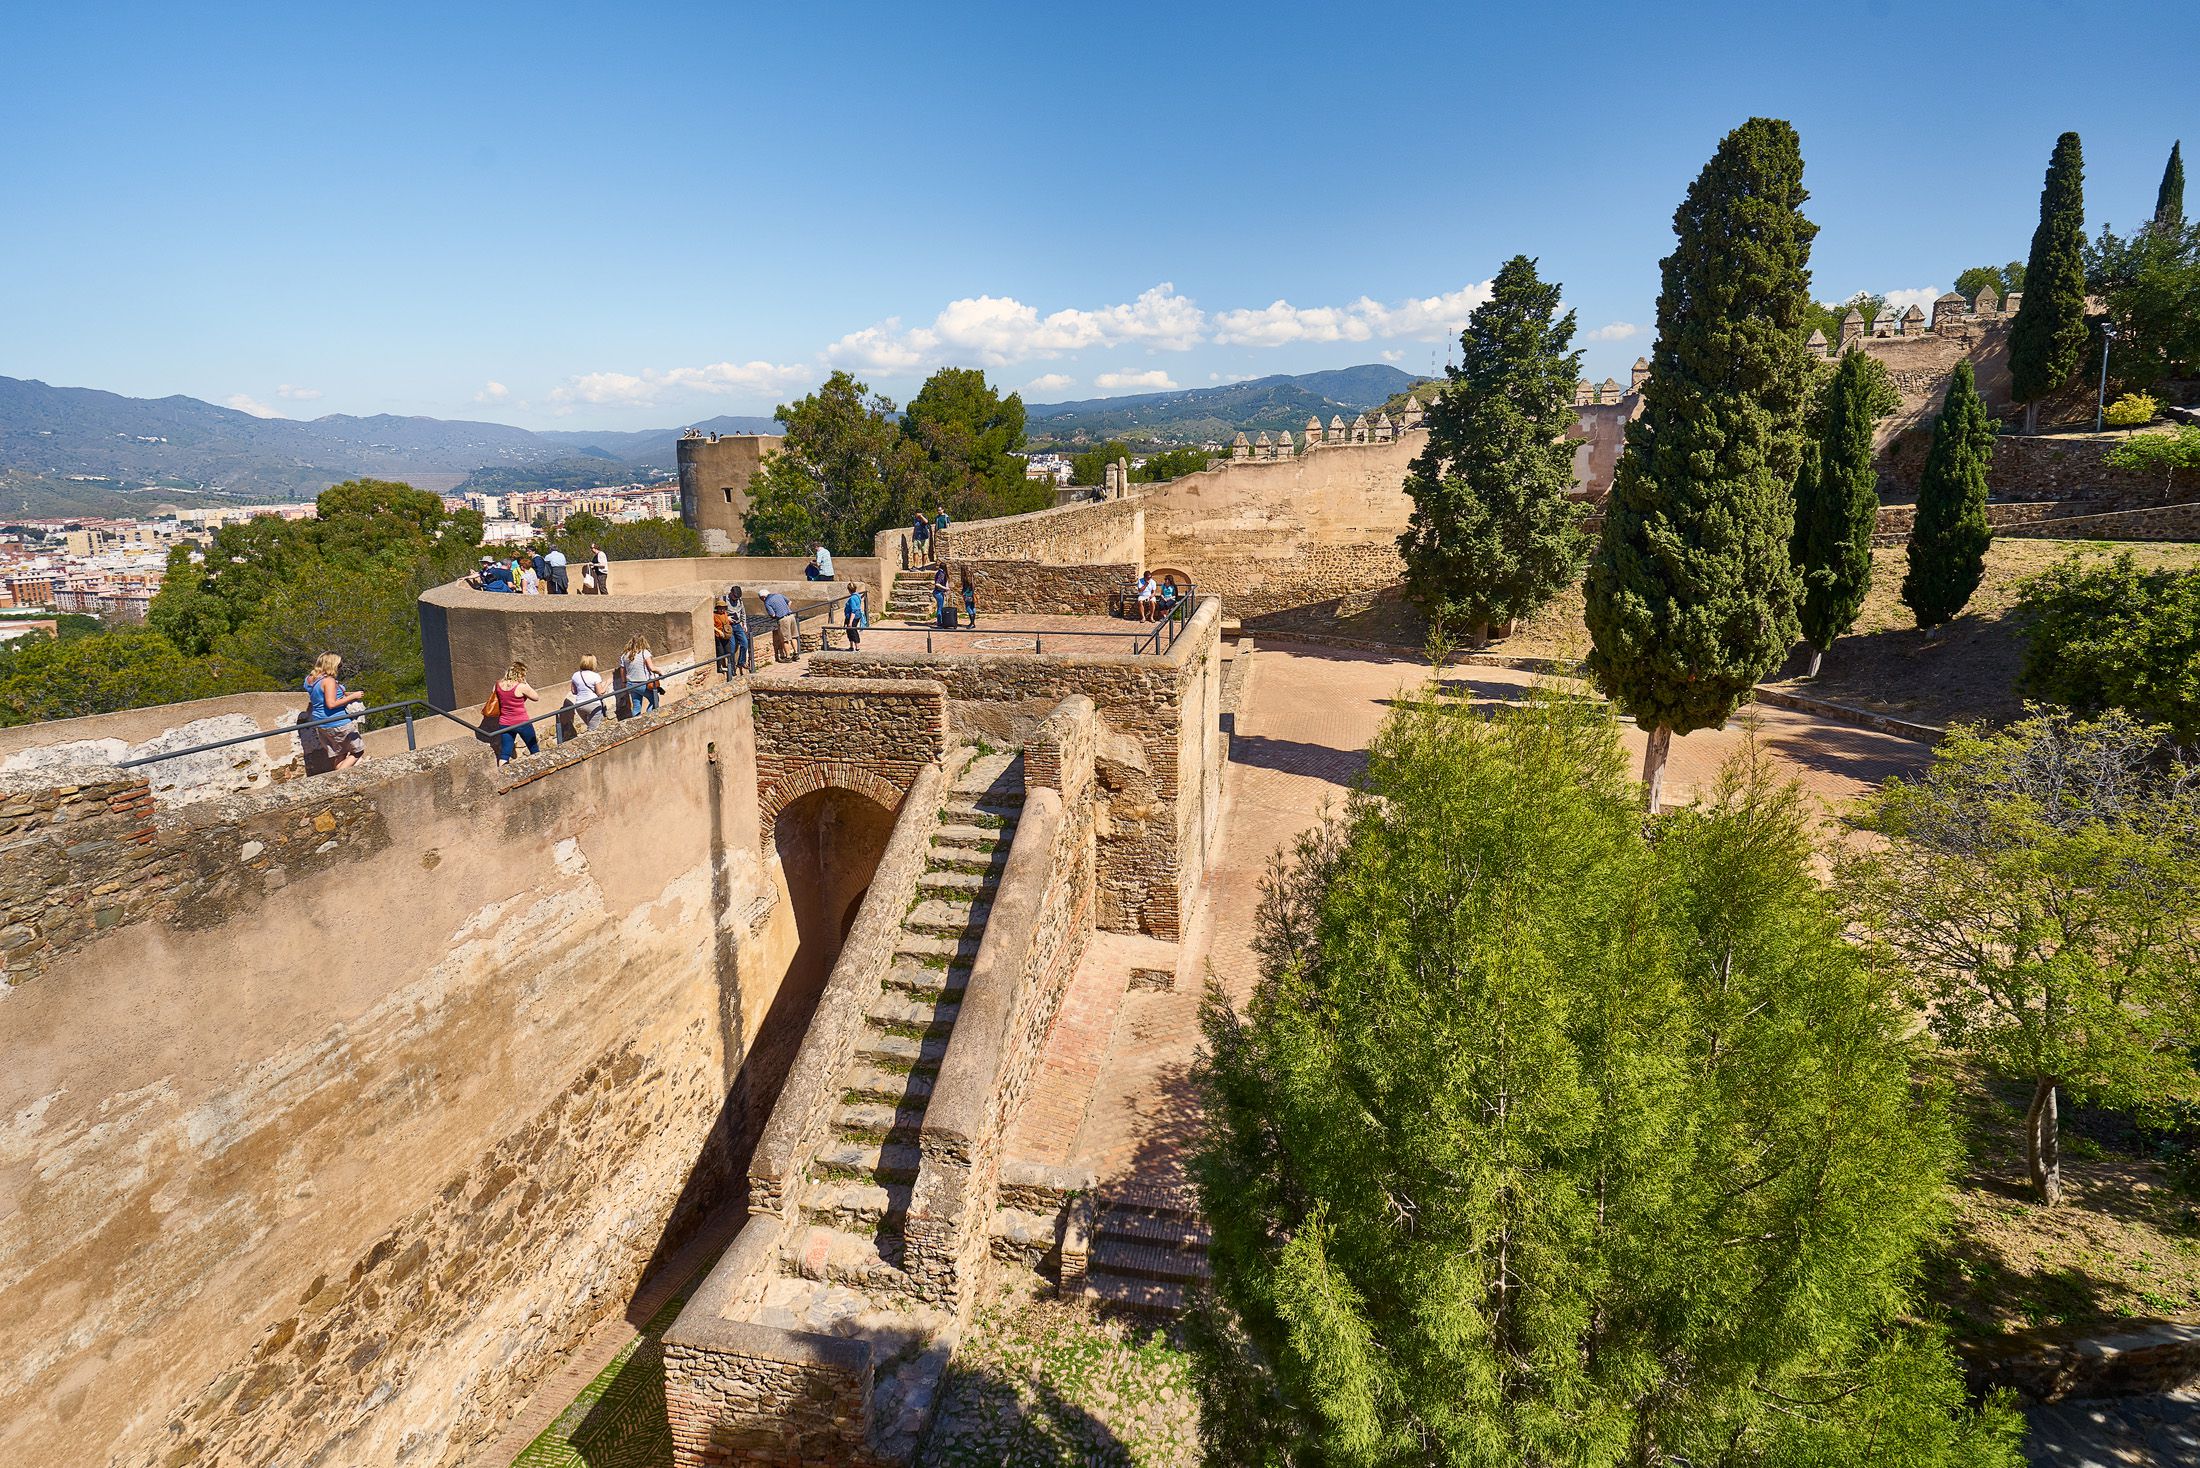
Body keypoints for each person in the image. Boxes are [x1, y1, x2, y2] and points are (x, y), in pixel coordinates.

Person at [302, 652, 361, 772]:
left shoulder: (309, 679)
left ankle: (340, 782)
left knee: (340, 755)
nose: (340, 668)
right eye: (339, 665)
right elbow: (331, 704)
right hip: (338, 722)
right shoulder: (328, 681)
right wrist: (354, 696)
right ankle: (337, 778)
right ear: (332, 665)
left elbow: (320, 697)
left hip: (321, 723)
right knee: (358, 752)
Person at [491, 661, 540, 763]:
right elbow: (536, 697)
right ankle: (540, 768)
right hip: (522, 722)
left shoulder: (498, 684)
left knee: (505, 753)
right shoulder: (521, 686)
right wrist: (526, 683)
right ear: (521, 674)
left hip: (504, 723)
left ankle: (502, 774)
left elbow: (494, 695)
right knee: (534, 748)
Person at [568, 654, 608, 735]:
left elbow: (573, 691)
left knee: (590, 727)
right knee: (593, 731)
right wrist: (607, 683)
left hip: (579, 705)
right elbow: (600, 693)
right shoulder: (595, 676)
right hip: (593, 705)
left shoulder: (575, 675)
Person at [621, 635, 660, 715]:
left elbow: (622, 670)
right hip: (642, 683)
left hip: (630, 684)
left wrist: (624, 682)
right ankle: (649, 718)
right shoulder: (644, 652)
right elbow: (652, 668)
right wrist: (660, 672)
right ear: (643, 642)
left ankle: (636, 722)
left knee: (636, 706)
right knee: (654, 700)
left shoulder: (624, 655)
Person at [761, 589, 796, 663]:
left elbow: (773, 614)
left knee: (785, 639)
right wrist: (786, 609)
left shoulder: (767, 602)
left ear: (763, 597)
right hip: (791, 616)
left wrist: (775, 616)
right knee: (793, 636)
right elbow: (789, 602)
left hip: (783, 619)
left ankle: (788, 657)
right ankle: (796, 653)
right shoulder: (778, 595)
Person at [725, 586, 753, 674]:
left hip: (737, 625)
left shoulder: (740, 600)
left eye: (737, 597)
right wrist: (727, 618)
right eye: (735, 597)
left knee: (745, 643)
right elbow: (718, 613)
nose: (736, 599)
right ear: (731, 593)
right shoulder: (724, 599)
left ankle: (741, 662)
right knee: (732, 648)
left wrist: (744, 624)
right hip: (728, 626)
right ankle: (732, 667)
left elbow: (743, 612)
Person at [712, 599, 734, 678]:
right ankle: (719, 667)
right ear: (717, 608)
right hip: (718, 636)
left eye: (723, 608)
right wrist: (719, 631)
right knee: (720, 652)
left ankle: (731, 667)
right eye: (720, 608)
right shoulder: (714, 615)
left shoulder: (725, 614)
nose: (721, 609)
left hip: (726, 635)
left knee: (729, 651)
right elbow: (712, 626)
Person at [843, 581, 867, 650]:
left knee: (853, 631)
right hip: (855, 615)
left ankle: (857, 646)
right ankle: (851, 646)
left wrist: (850, 622)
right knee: (849, 631)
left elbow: (853, 610)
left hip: (852, 617)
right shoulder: (857, 595)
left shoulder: (852, 598)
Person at [932, 561, 951, 629]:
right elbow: (937, 584)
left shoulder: (941, 573)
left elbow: (945, 582)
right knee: (940, 608)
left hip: (939, 592)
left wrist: (945, 590)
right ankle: (939, 624)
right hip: (938, 593)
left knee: (940, 607)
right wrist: (945, 588)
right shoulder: (941, 574)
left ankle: (940, 622)